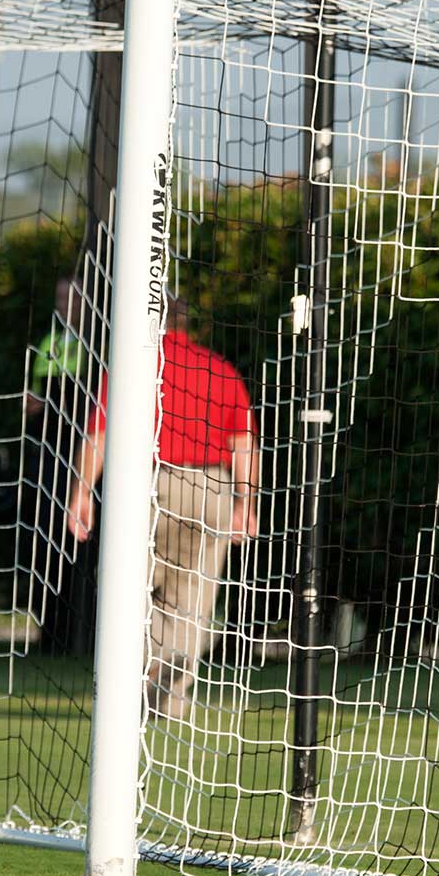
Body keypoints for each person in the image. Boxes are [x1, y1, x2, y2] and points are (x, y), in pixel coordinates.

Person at [67, 298, 257, 720]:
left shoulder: (136, 366)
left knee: (128, 591)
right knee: (191, 602)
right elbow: (243, 443)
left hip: (150, 483)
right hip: (211, 489)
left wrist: (81, 490)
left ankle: (127, 690)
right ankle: (169, 701)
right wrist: (245, 502)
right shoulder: (219, 368)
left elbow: (100, 431)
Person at [22, 277, 95, 655]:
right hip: (50, 457)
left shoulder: (95, 345)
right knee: (47, 541)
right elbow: (35, 398)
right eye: (61, 297)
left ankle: (80, 633)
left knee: (81, 544)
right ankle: (49, 632)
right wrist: (33, 404)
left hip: (82, 457)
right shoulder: (49, 344)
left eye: (73, 298)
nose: (66, 304)